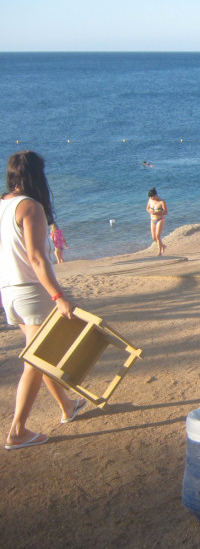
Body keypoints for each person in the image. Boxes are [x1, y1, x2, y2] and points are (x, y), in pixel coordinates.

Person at [1, 151, 86, 450]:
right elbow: (36, 258)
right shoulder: (30, 206)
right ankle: (17, 431)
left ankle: (67, 407)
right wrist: (59, 296)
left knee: (41, 354)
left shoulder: (3, 204)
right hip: (30, 291)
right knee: (34, 361)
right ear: (36, 175)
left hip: (9, 291)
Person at [146, 187, 168, 256]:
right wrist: (150, 211)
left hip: (160, 219)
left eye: (152, 197)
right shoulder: (150, 200)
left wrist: (157, 213)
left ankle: (159, 252)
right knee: (154, 238)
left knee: (158, 236)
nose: (151, 198)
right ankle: (163, 246)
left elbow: (166, 212)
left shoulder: (161, 201)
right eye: (150, 197)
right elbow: (147, 208)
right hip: (152, 220)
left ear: (155, 195)